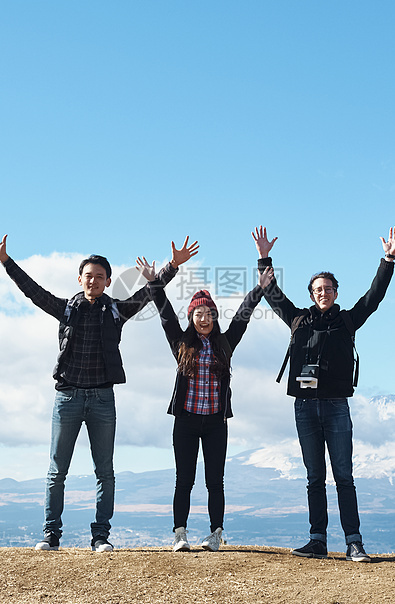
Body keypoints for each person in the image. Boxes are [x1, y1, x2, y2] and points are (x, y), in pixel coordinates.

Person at [0, 234, 198, 552]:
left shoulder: (116, 311)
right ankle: (51, 535)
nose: (93, 281)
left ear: (107, 282)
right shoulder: (66, 310)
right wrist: (7, 262)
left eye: (99, 277)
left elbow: (149, 292)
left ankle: (100, 536)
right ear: (80, 279)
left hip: (102, 399)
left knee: (104, 470)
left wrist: (173, 264)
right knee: (56, 470)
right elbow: (33, 292)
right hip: (67, 396)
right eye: (88, 276)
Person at [253, 225, 395, 562]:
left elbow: (374, 297)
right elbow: (272, 294)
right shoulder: (298, 320)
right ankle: (317, 540)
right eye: (318, 289)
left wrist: (388, 259)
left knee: (344, 476)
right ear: (311, 293)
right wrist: (263, 258)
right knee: (314, 477)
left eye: (329, 288)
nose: (323, 293)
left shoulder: (347, 321)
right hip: (304, 407)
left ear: (336, 292)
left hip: (336, 407)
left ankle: (353, 542)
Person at [137, 251, 274, 552]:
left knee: (216, 480)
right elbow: (165, 313)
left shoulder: (225, 343)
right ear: (192, 318)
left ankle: (215, 534)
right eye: (198, 314)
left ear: (214, 317)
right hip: (185, 421)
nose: (203, 319)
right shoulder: (181, 342)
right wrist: (153, 284)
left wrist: (260, 289)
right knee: (183, 480)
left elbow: (243, 314)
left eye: (208, 314)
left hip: (215, 423)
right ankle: (180, 534)